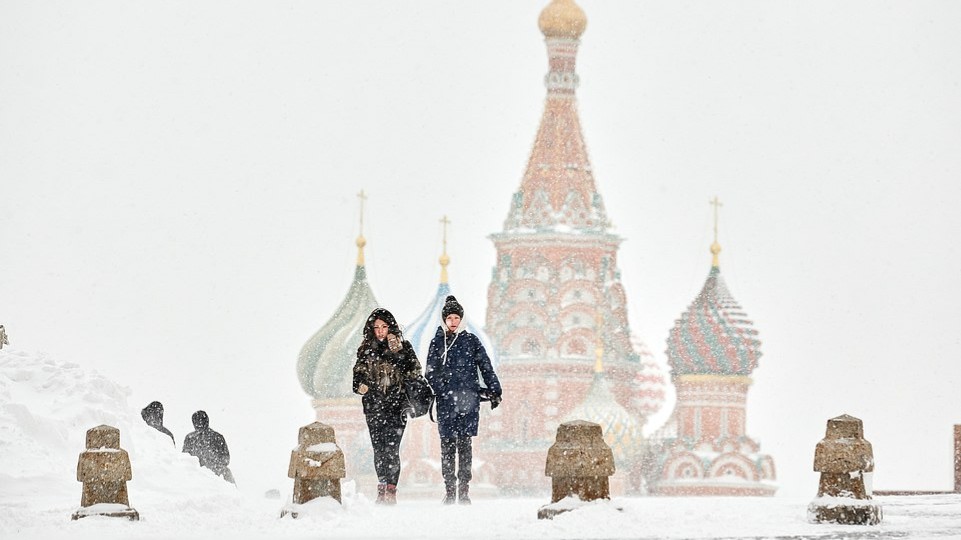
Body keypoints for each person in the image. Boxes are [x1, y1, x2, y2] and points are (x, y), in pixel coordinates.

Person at [425, 295, 501, 505]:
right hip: (447, 403)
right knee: (447, 446)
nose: (453, 321)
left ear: (462, 319)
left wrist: (494, 389)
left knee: (465, 446)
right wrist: (444, 388)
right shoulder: (438, 342)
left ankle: (464, 490)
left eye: (456, 317)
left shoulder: (470, 341)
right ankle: (450, 490)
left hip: (468, 401)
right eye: (449, 317)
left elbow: (485, 366)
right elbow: (430, 371)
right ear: (444, 320)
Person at [352, 307, 423, 505]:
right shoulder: (366, 349)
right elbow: (357, 375)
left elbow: (415, 372)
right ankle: (381, 486)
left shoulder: (403, 347)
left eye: (384, 326)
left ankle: (391, 489)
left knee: (392, 449)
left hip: (396, 407)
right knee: (379, 449)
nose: (381, 331)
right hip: (374, 407)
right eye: (377, 327)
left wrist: (397, 353)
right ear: (372, 329)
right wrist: (361, 386)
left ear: (391, 327)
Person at [183, 410, 235, 484]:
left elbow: (185, 459)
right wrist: (215, 465)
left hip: (197, 474)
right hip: (216, 474)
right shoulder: (218, 437)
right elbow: (226, 459)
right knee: (227, 474)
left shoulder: (190, 438)